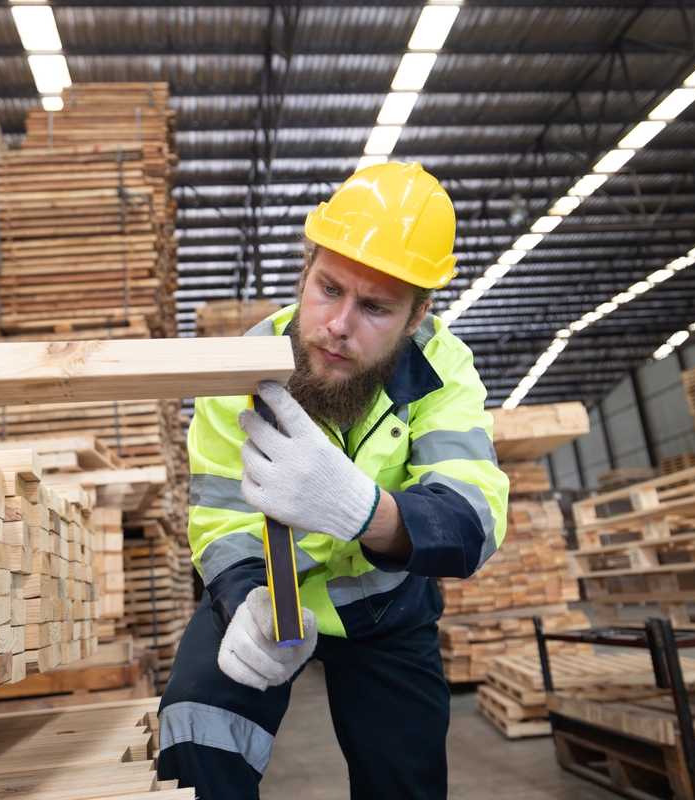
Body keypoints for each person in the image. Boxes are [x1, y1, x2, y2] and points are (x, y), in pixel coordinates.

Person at [157, 161, 510, 799]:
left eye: (375, 306)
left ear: (416, 316)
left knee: (407, 778)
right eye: (328, 288)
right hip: (271, 595)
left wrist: (365, 512)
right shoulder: (242, 368)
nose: (339, 325)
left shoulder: (443, 370)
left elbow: (473, 519)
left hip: (386, 608)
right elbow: (217, 518)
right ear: (306, 269)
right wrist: (244, 603)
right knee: (194, 729)